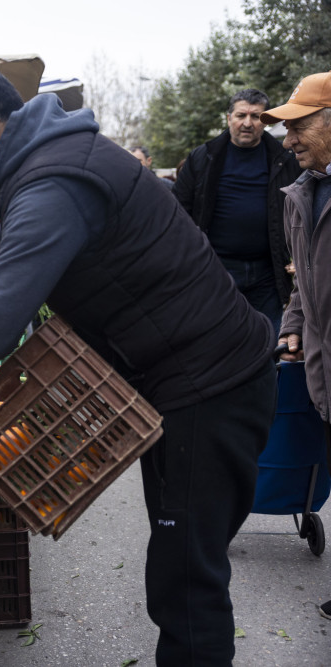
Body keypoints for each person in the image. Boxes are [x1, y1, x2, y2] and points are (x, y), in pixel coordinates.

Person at [0, 61, 276, 664]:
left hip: (210, 384)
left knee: (187, 582)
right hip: (188, 380)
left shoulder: (54, 181)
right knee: (180, 570)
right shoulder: (44, 167)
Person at [259, 71, 331, 623]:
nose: (288, 141)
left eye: (298, 126)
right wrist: (292, 325)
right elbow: (303, 282)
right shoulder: (301, 195)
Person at [173, 89, 302, 334]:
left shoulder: (284, 158)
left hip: (269, 272)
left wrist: (298, 254)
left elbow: (303, 209)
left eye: (256, 116)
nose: (247, 123)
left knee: (267, 341)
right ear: (229, 117)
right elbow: (178, 211)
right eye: (241, 115)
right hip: (216, 268)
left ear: (265, 121)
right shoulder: (204, 158)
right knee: (217, 338)